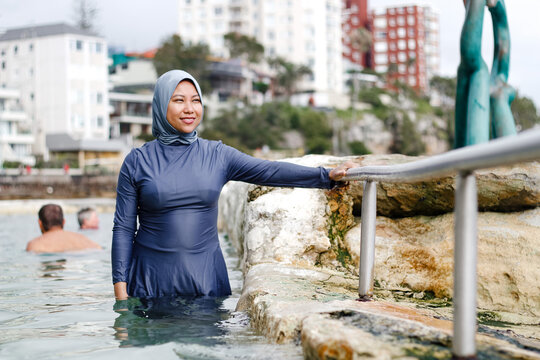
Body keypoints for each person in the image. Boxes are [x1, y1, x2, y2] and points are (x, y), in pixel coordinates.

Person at [111, 70, 353, 301]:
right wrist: (121, 296)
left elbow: (268, 171)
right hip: (149, 283)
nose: (189, 109)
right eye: (178, 100)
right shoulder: (137, 161)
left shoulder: (217, 155)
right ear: (161, 104)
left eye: (196, 101)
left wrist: (325, 176)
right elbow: (123, 228)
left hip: (205, 281)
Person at [26, 204, 102, 253]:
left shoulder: (34, 245)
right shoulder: (85, 240)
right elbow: (99, 249)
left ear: (40, 223)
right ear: (63, 222)